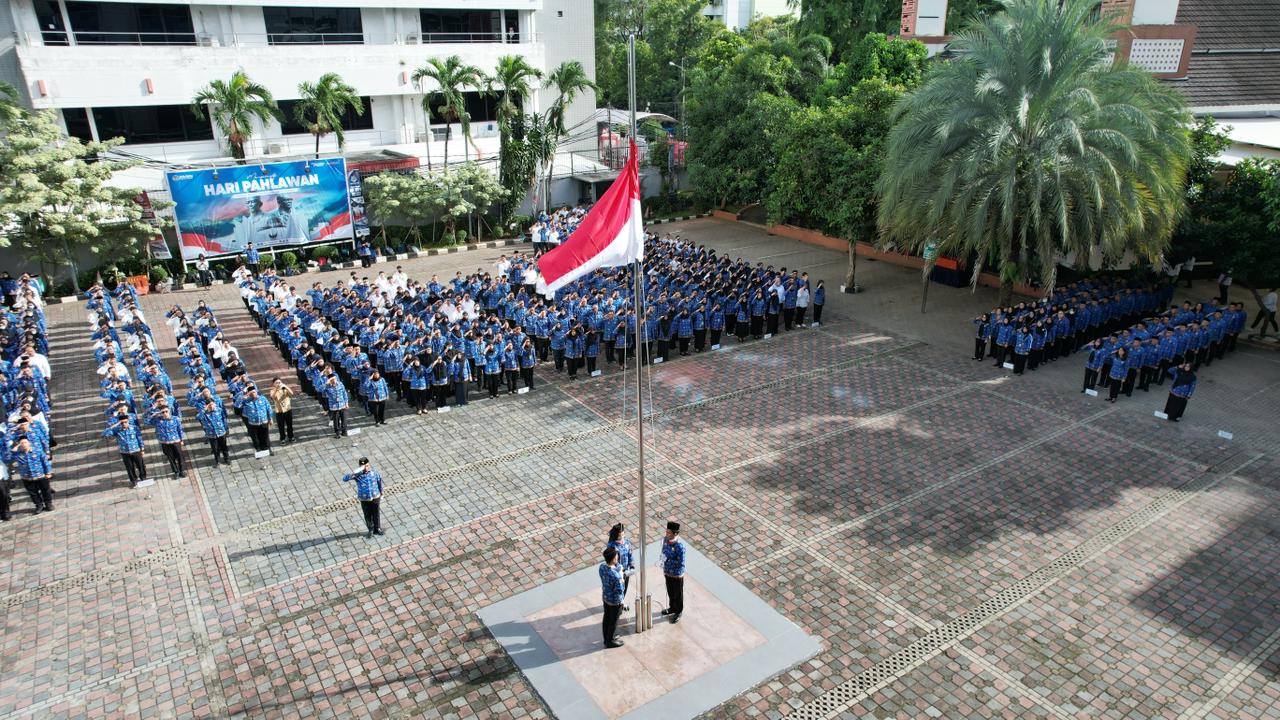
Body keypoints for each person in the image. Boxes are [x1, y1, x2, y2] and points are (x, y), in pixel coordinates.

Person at [342, 457, 384, 538]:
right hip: (364, 498)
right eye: (363, 467)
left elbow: (379, 481)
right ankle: (370, 529)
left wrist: (381, 491)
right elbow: (344, 479)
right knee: (367, 514)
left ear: (369, 465)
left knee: (376, 513)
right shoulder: (358, 475)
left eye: (367, 466)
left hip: (375, 496)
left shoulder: (374, 472)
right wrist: (354, 473)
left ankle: (377, 528)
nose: (366, 468)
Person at [103, 414, 147, 487]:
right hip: (125, 452)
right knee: (129, 467)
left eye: (125, 422)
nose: (124, 424)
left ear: (128, 421)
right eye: (122, 423)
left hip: (136, 450)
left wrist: (142, 449)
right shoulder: (117, 430)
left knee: (140, 465)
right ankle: (134, 480)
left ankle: (143, 477)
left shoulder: (134, 428)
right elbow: (104, 433)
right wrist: (116, 425)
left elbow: (139, 438)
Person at [11, 436, 52, 513]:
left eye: (25, 442)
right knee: (33, 493)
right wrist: (13, 450)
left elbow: (45, 462)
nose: (24, 444)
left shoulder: (37, 451)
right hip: (27, 478)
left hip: (40, 475)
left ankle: (48, 503)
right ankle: (39, 505)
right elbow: (7, 459)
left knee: (45, 490)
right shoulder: (17, 454)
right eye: (21, 443)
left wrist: (48, 472)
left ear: (29, 443)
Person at [599, 546, 626, 649]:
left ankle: (606, 637)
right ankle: (610, 640)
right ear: (614, 558)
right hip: (615, 602)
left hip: (606, 597)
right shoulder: (616, 575)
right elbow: (620, 590)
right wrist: (621, 576)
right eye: (616, 556)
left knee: (606, 617)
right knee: (613, 621)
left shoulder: (602, 567)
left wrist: (617, 568)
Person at [660, 520, 686, 623]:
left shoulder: (679, 546)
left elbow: (681, 563)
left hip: (676, 574)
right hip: (667, 572)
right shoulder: (665, 540)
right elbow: (663, 550)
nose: (666, 534)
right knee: (670, 591)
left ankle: (678, 611)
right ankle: (672, 608)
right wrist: (662, 558)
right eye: (666, 531)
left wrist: (668, 560)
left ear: (675, 533)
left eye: (669, 532)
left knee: (677, 594)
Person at [606, 523, 636, 611]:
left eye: (623, 534)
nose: (622, 536)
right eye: (620, 535)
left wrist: (632, 566)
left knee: (624, 588)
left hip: (626, 571)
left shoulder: (626, 541)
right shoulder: (612, 546)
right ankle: (617, 606)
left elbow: (630, 554)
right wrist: (619, 571)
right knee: (617, 589)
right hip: (617, 572)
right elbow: (611, 561)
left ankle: (622, 602)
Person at [241, 385, 274, 453]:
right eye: (251, 393)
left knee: (265, 436)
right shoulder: (246, 401)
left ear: (256, 391)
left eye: (254, 392)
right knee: (255, 438)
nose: (253, 394)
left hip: (263, 421)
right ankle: (258, 450)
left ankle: (267, 448)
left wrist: (270, 418)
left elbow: (268, 408)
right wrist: (244, 395)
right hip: (253, 423)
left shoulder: (262, 398)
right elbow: (237, 406)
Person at [267, 378, 296, 443]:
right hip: (279, 411)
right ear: (273, 384)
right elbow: (272, 397)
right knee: (281, 426)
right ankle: (282, 438)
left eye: (279, 382)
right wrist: (276, 389)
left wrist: (286, 386)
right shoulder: (272, 390)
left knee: (289, 425)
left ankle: (291, 436)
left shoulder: (285, 388)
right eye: (276, 383)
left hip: (288, 410)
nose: (278, 384)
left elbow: (291, 393)